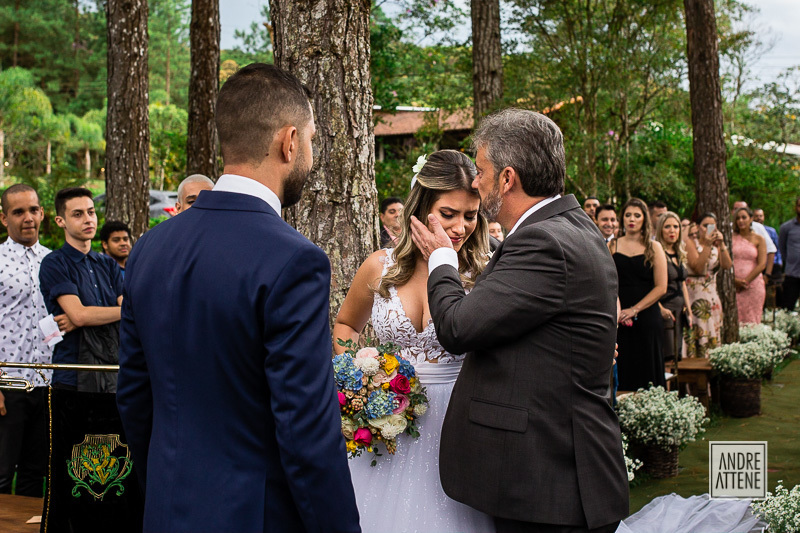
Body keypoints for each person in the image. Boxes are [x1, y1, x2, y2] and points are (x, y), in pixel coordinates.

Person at [116, 63, 359, 532]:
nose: (310, 152)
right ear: (289, 142)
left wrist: (166, 488)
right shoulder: (294, 260)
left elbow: (134, 396)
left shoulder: (150, 247)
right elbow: (305, 427)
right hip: (255, 516)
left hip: (168, 509)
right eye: (310, 138)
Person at [411, 109, 628, 533]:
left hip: (548, 484)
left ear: (507, 178)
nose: (476, 181)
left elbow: (458, 327)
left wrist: (441, 257)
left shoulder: (544, 241)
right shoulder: (571, 225)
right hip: (554, 471)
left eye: (483, 170)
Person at [333, 149, 493, 533]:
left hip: (460, 419)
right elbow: (345, 326)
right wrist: (362, 379)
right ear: (420, 210)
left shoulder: (485, 271)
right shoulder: (380, 266)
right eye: (449, 214)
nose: (460, 227)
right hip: (388, 421)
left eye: (470, 215)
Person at [0, 185, 72, 497]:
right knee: (2, 474)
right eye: (18, 212)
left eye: (33, 210)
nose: (27, 218)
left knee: (35, 474)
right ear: (4, 219)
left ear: (42, 213)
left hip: (49, 382)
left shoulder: (55, 262)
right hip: (9, 383)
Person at [39, 188, 123, 391]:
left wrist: (87, 316)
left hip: (113, 369)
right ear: (61, 221)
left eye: (91, 212)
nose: (88, 219)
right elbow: (78, 315)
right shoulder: (54, 263)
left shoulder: (108, 264)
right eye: (78, 214)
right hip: (73, 372)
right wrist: (122, 311)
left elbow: (128, 310)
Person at [611, 198, 668, 391]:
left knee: (648, 368)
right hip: (619, 316)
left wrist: (635, 309)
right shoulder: (612, 246)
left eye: (637, 215)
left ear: (645, 219)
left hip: (647, 316)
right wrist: (619, 310)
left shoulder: (654, 247)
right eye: (628, 215)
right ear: (622, 218)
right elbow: (608, 282)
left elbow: (661, 287)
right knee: (624, 366)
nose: (632, 219)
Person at [685, 213, 732, 358]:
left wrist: (722, 244)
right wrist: (706, 244)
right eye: (705, 225)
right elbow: (698, 267)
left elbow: (727, 265)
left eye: (712, 226)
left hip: (712, 296)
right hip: (695, 296)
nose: (708, 229)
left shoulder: (716, 246)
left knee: (712, 334)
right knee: (697, 335)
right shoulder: (691, 243)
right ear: (698, 227)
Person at [655, 212, 692, 362]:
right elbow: (650, 285)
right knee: (667, 357)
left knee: (677, 355)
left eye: (676, 227)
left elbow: (682, 283)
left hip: (680, 311)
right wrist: (660, 309)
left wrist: (688, 309)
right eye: (667, 227)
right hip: (665, 309)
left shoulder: (679, 253)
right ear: (660, 230)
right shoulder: (657, 252)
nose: (672, 230)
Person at [732, 207, 766, 323]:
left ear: (751, 219)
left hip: (753, 285)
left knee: (752, 319)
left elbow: (762, 264)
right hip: (734, 285)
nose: (741, 220)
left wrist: (745, 281)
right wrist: (735, 281)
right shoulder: (731, 238)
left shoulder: (759, 239)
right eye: (738, 218)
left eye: (744, 217)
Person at [732, 201, 775, 277]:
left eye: (744, 217)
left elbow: (771, 250)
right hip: (734, 279)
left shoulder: (758, 228)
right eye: (736, 209)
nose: (741, 220)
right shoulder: (729, 229)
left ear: (750, 217)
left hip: (754, 278)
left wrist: (767, 275)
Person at [778, 197, 800, 310]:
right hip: (792, 275)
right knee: (787, 308)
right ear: (796, 207)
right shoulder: (786, 227)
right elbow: (782, 248)